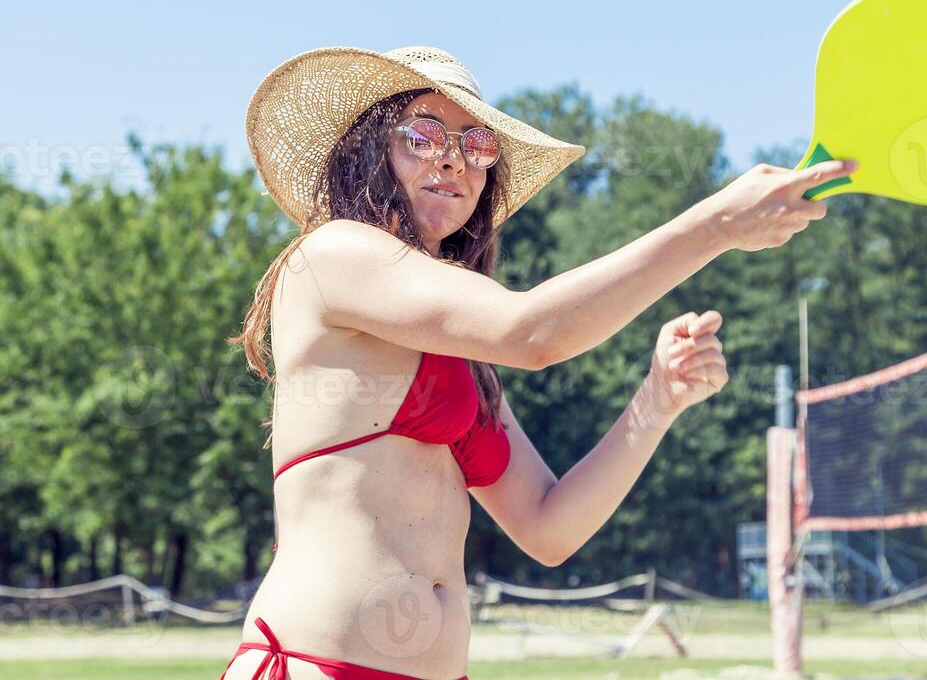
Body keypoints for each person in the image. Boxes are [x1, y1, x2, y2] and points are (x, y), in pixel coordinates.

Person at [220, 45, 856, 680]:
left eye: (477, 145)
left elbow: (549, 529)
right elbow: (532, 333)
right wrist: (715, 225)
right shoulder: (334, 252)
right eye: (424, 133)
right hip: (316, 665)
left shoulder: (460, 358)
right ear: (369, 149)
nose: (452, 156)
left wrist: (658, 400)